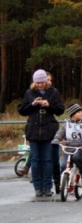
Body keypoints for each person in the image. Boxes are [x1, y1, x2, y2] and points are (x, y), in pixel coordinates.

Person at [18, 69, 65, 197]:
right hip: (34, 131)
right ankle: (38, 187)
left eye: (42, 82)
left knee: (48, 160)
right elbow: (22, 110)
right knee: (35, 160)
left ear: (46, 81)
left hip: (49, 131)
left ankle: (47, 187)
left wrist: (49, 105)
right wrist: (33, 104)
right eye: (37, 83)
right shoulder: (29, 93)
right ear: (34, 82)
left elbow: (60, 110)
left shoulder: (53, 92)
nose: (40, 85)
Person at [52, 102, 82, 179]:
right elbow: (60, 133)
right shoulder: (66, 124)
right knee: (64, 165)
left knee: (77, 158)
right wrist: (56, 139)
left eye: (81, 111)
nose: (81, 113)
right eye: (79, 112)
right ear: (73, 114)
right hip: (68, 148)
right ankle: (64, 182)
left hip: (80, 147)